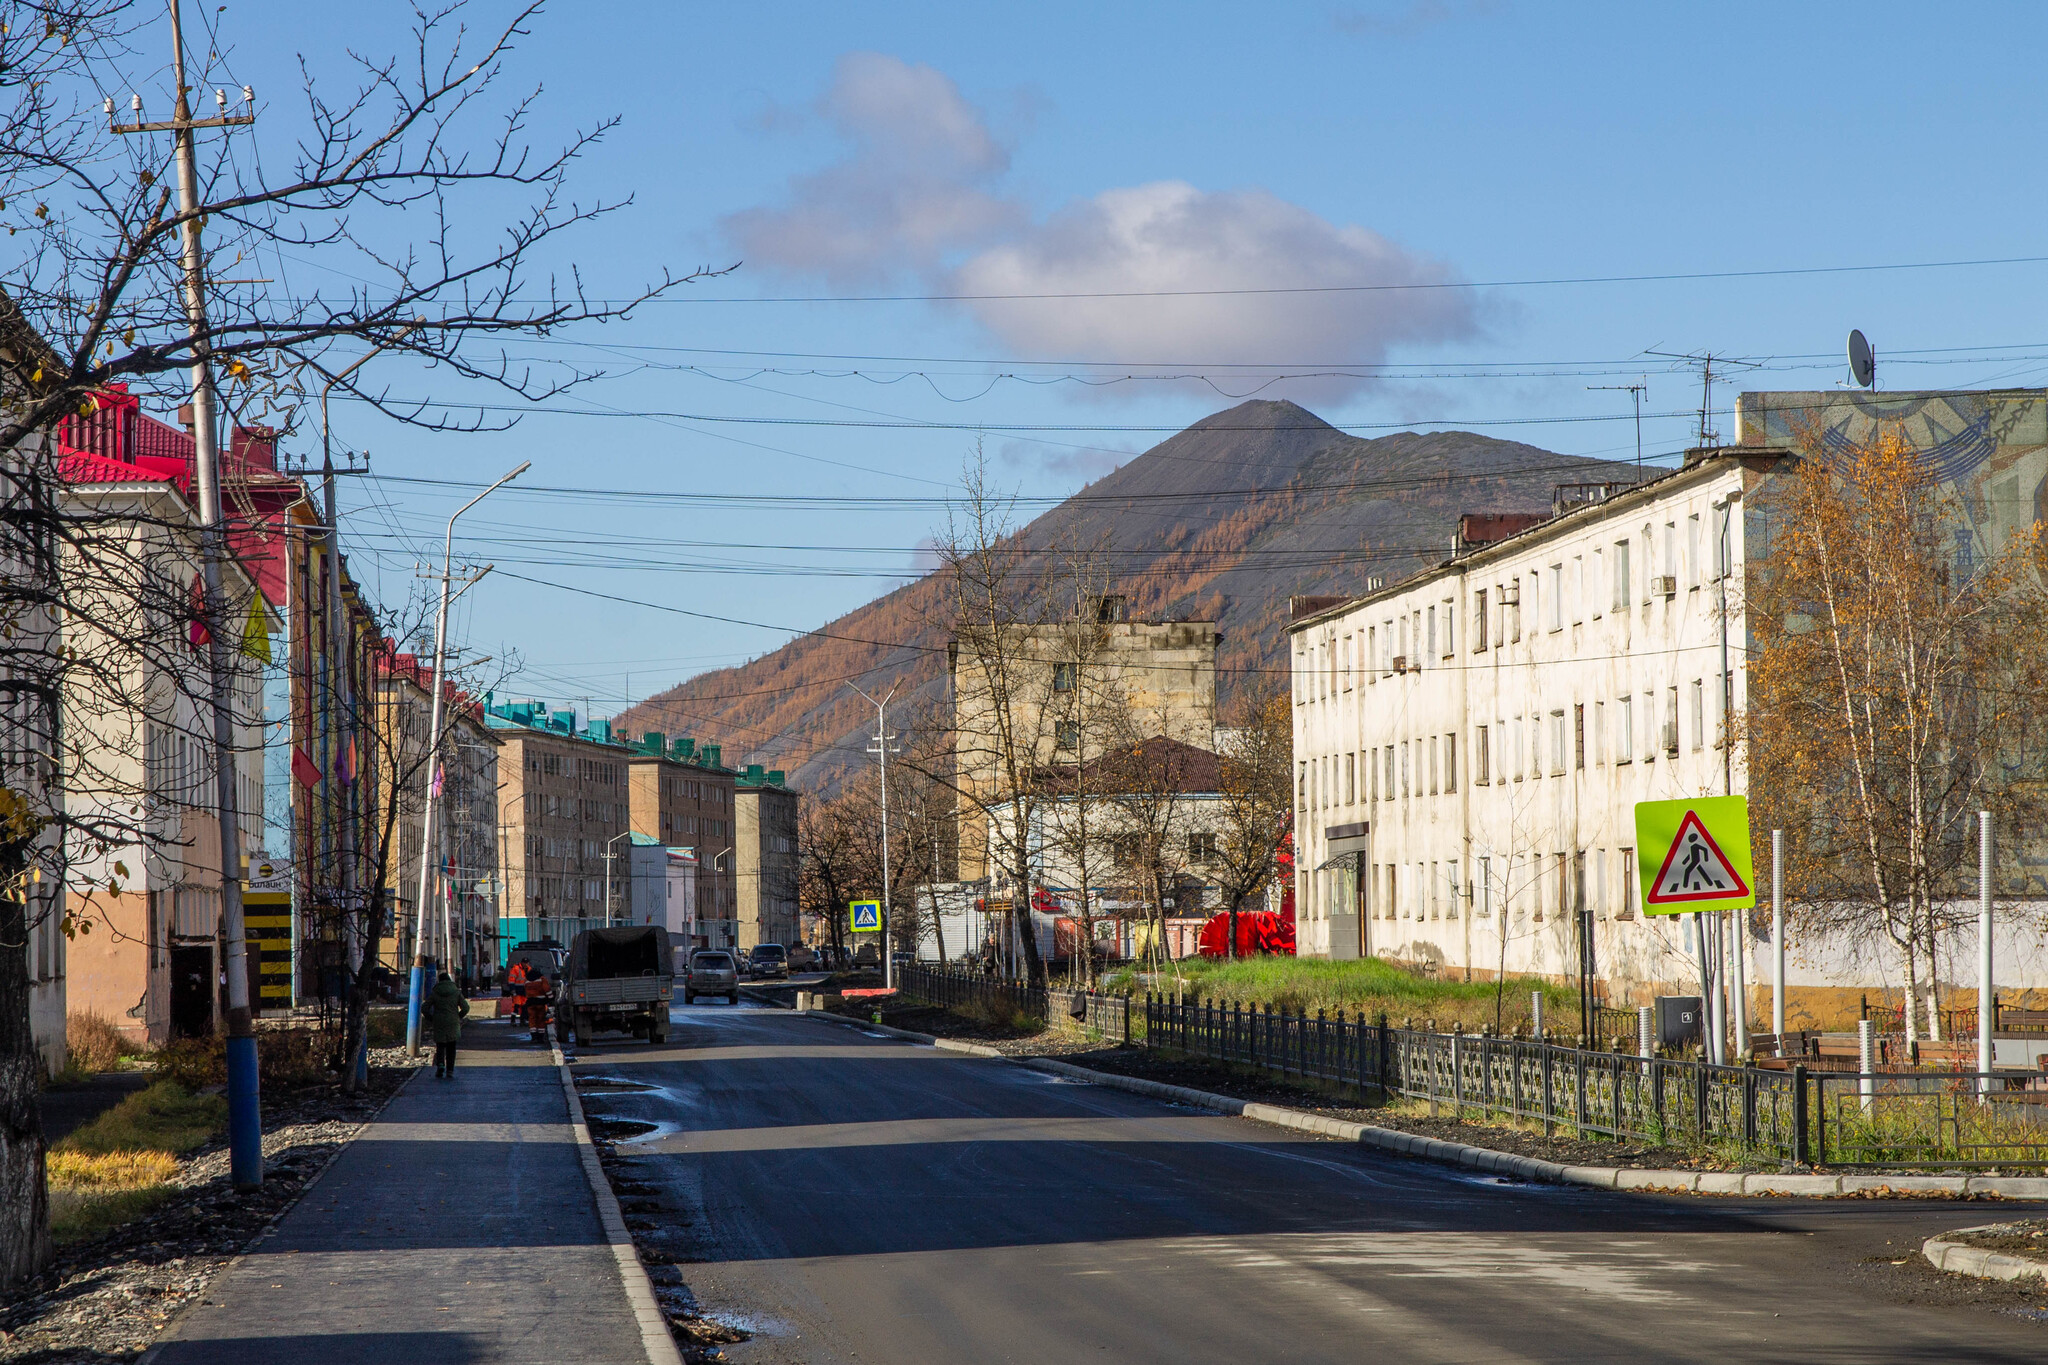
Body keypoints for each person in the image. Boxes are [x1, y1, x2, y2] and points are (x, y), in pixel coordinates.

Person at [427, 974, 469, 1079]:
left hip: (439, 1021)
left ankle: (440, 1065)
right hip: (453, 1022)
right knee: (451, 1046)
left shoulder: (435, 993)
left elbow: (424, 1008)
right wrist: (458, 1016)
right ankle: (450, 1070)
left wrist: (431, 1018)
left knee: (440, 1045)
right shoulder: (456, 992)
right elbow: (466, 1008)